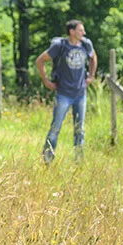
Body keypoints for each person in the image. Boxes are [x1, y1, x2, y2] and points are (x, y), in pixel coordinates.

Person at [35, 19, 97, 164]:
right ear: (72, 31)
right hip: (63, 93)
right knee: (56, 128)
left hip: (80, 94)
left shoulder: (85, 44)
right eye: (81, 30)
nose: (84, 33)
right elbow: (40, 60)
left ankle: (79, 161)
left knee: (79, 129)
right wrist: (46, 81)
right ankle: (47, 158)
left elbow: (93, 57)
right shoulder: (59, 46)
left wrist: (91, 76)